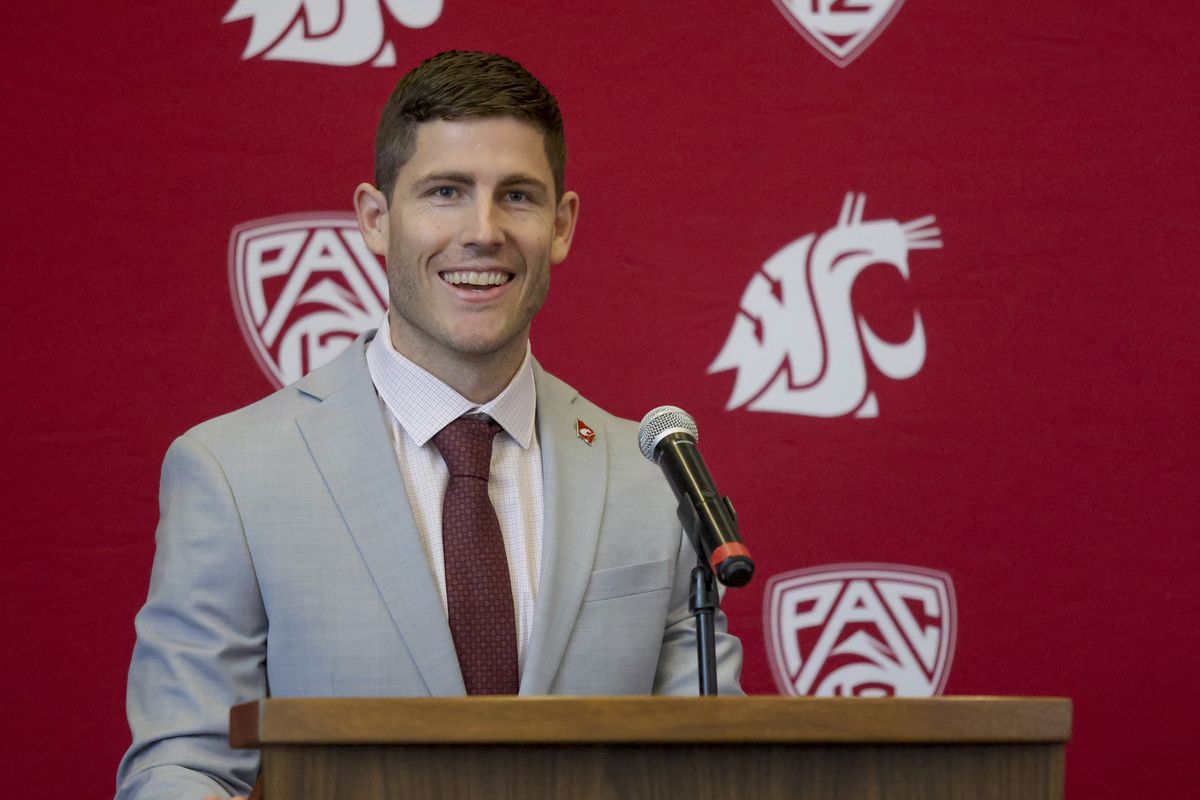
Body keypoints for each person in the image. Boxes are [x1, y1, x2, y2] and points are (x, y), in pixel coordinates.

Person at [115, 50, 743, 800]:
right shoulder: (232, 473)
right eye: (446, 192)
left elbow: (713, 769)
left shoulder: (651, 480)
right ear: (376, 220)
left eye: (517, 196)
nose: (483, 231)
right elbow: (183, 768)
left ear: (562, 225)